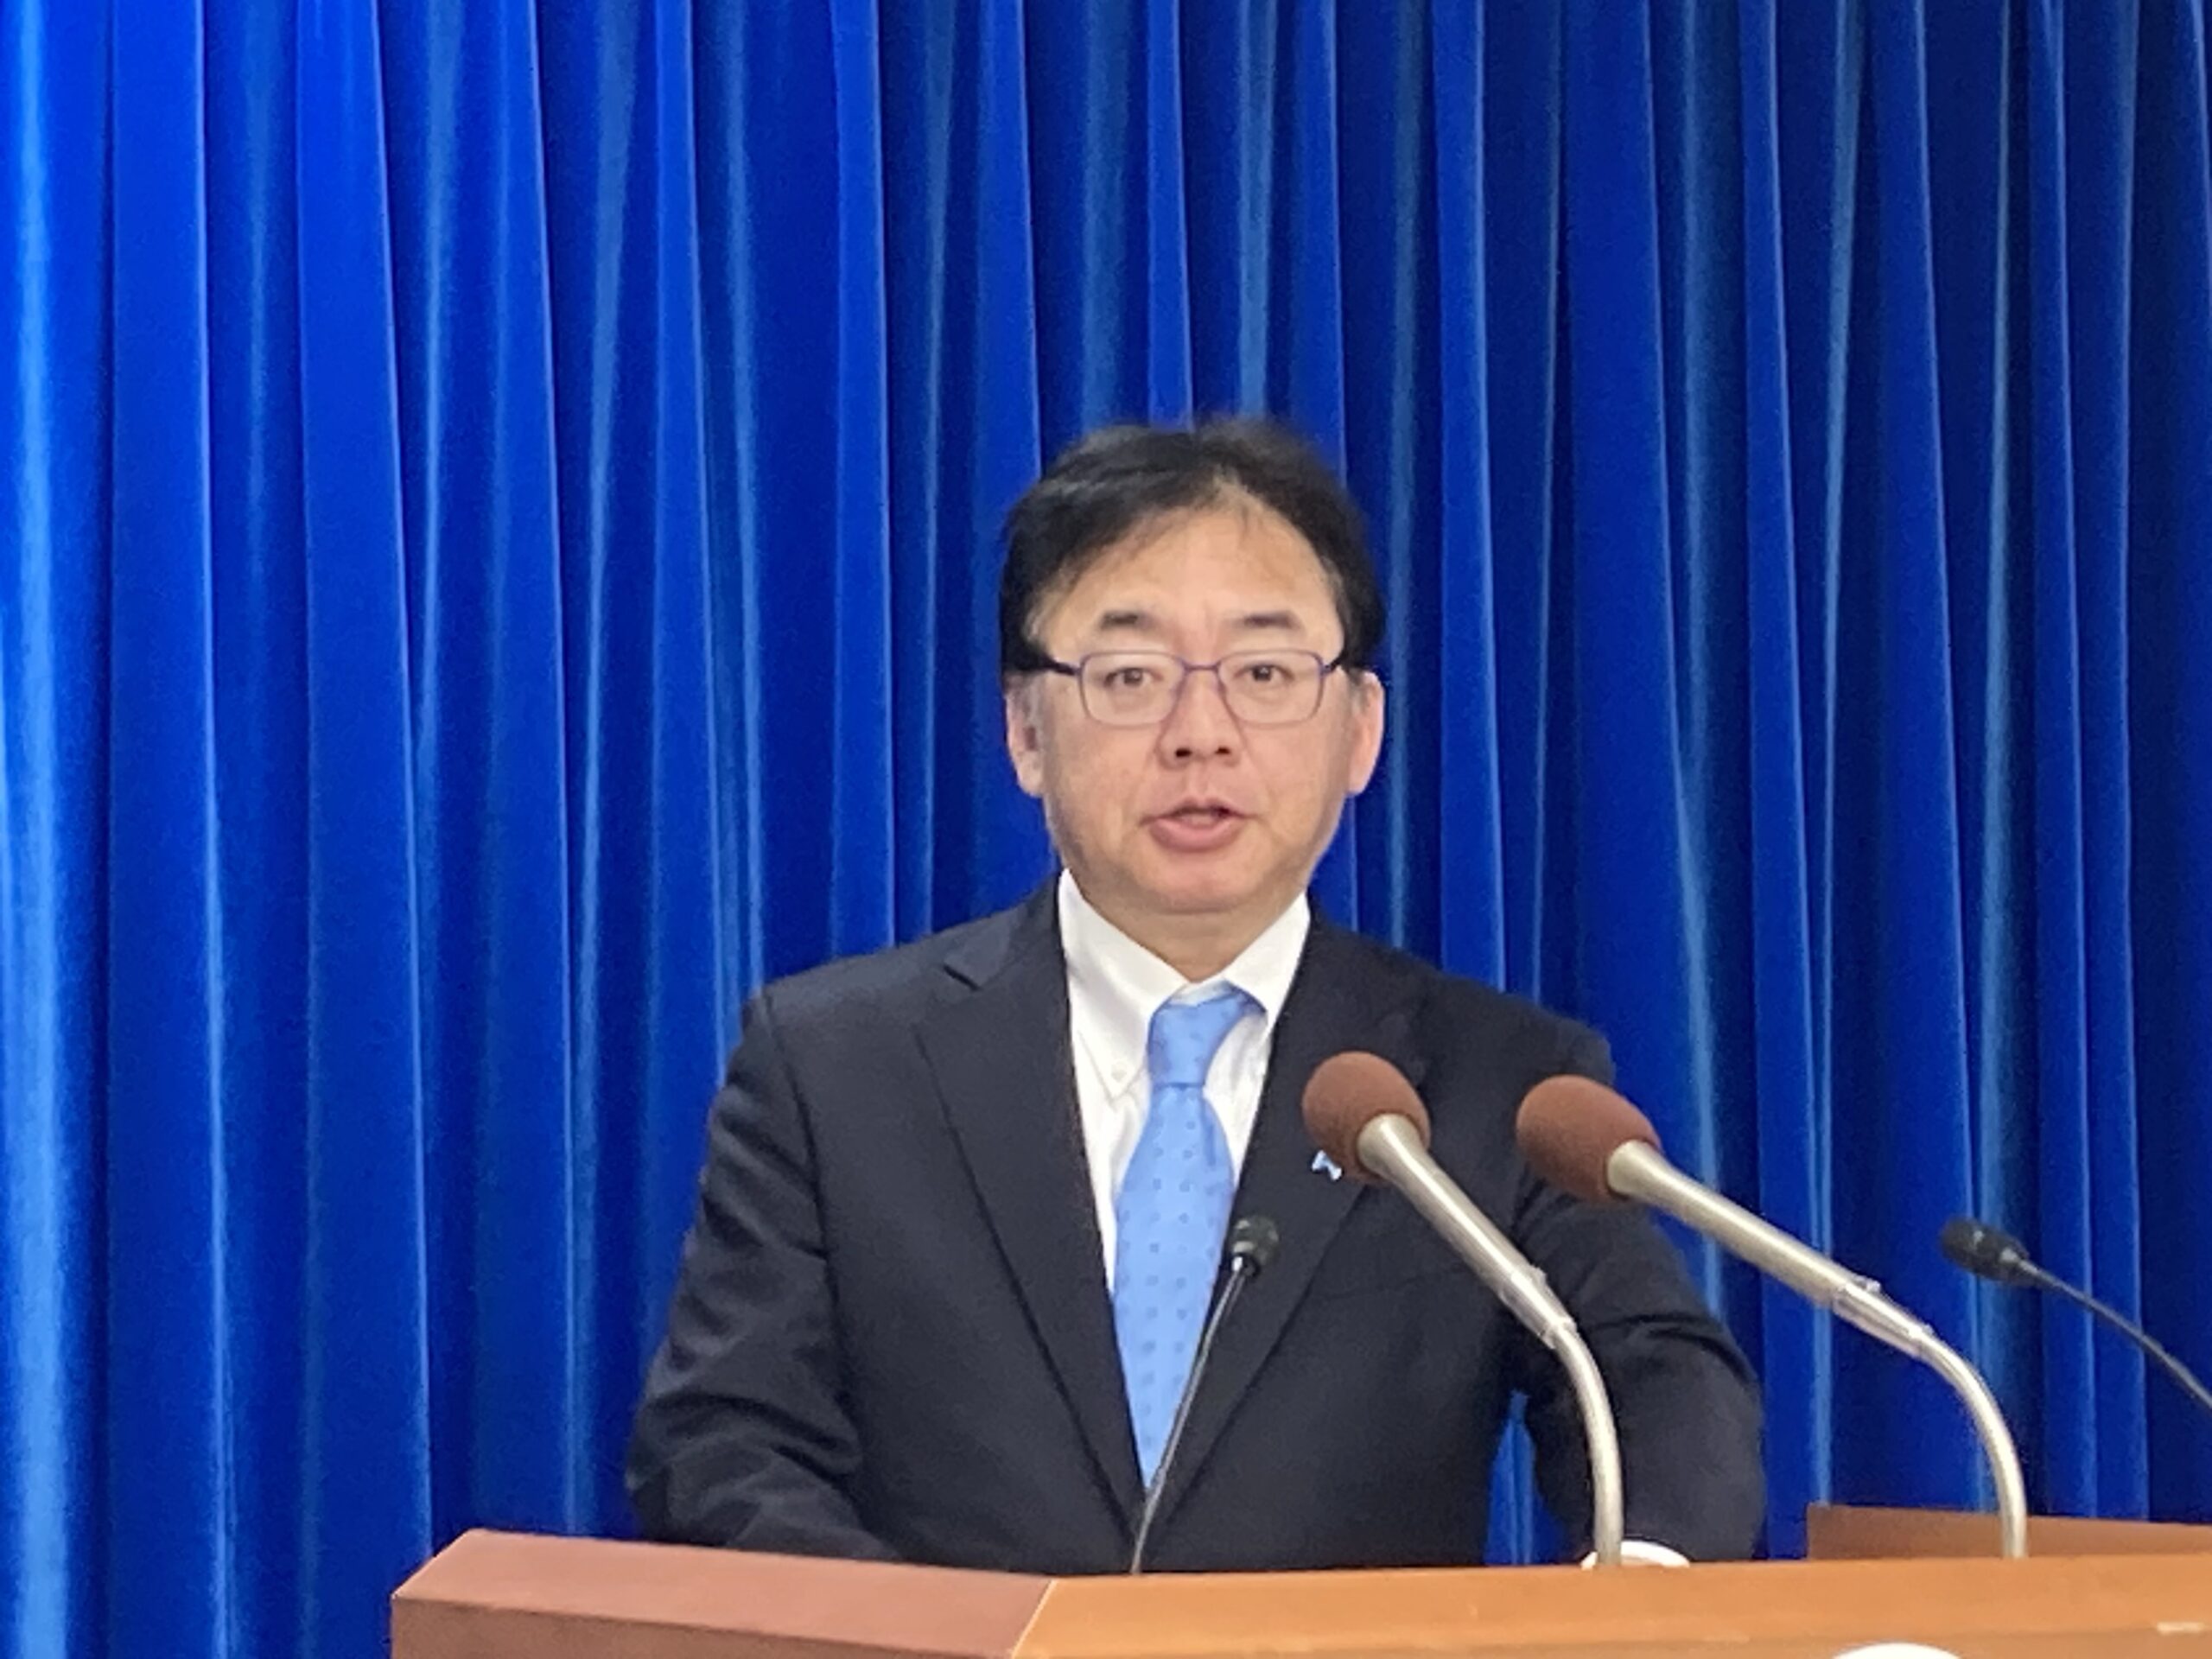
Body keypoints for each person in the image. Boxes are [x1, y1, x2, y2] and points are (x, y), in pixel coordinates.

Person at [626, 419, 1763, 1573]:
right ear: (1025, 731)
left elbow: (1655, 1380)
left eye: (1264, 675)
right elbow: (723, 1446)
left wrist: (1642, 1591)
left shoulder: (1498, 1084)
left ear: (1360, 730)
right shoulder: (834, 1067)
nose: (1200, 736)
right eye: (1131, 678)